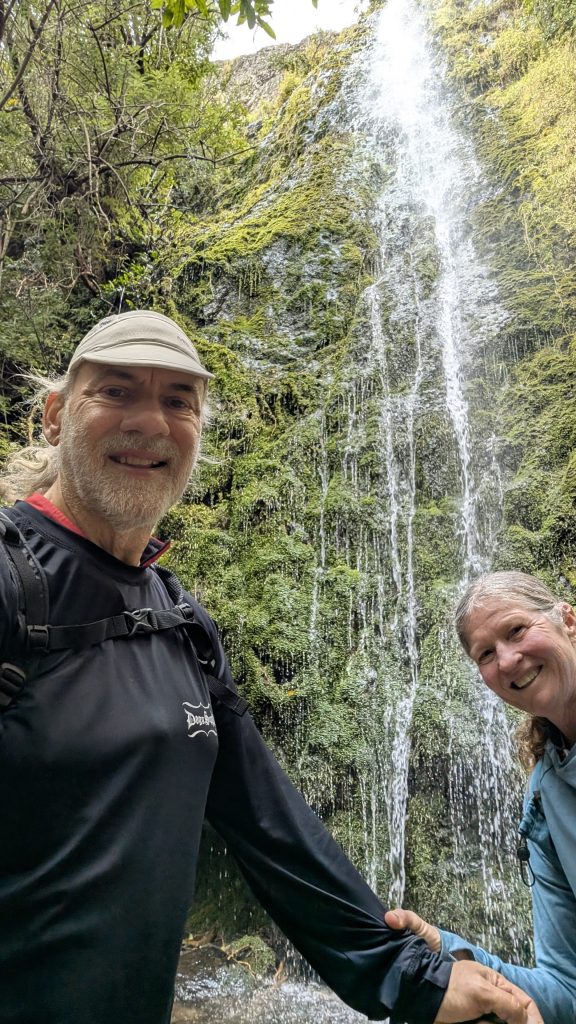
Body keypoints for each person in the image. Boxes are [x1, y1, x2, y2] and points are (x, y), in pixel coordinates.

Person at [0, 311, 542, 1024]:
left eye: (177, 401)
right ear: (54, 416)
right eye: (117, 391)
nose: (150, 422)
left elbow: (267, 823)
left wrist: (416, 978)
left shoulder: (181, 624)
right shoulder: (11, 581)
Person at [386, 571, 576, 1024]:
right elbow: (567, 989)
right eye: (486, 654)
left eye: (517, 630)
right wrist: (447, 952)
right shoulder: (544, 796)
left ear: (568, 620)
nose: (507, 661)